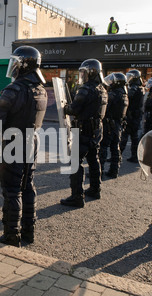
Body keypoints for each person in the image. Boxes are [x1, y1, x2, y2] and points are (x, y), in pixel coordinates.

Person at [0, 45, 48, 247]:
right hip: (33, 142)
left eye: (15, 62)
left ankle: (12, 236)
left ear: (22, 65)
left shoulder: (13, 90)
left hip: (14, 144)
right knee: (28, 185)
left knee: (12, 190)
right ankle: (29, 232)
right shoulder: (40, 89)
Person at [60, 59, 108, 207]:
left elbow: (74, 109)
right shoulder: (103, 89)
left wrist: (64, 107)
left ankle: (77, 196)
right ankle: (95, 189)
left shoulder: (85, 89)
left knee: (75, 162)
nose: (82, 75)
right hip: (97, 130)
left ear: (91, 73)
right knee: (94, 159)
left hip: (84, 130)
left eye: (84, 72)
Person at [100, 72, 128, 179]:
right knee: (115, 148)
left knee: (103, 148)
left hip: (109, 124)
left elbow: (104, 109)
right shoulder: (124, 95)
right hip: (118, 124)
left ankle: (100, 171)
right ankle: (114, 170)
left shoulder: (112, 95)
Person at [120, 69, 144, 163]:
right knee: (134, 137)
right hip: (136, 116)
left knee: (125, 136)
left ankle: (119, 155)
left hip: (132, 115)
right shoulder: (140, 87)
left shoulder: (134, 87)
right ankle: (134, 156)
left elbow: (128, 96)